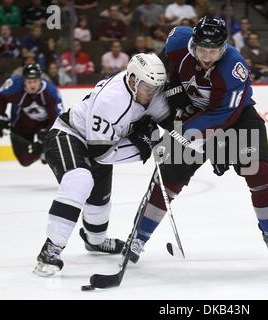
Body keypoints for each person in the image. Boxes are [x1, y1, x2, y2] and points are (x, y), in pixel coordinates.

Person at [126, 16, 268, 267]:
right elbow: (165, 70)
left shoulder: (234, 68)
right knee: (168, 181)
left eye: (214, 51)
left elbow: (223, 115)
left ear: (224, 48)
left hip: (236, 118)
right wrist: (174, 92)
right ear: (193, 44)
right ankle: (138, 238)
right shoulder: (178, 41)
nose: (207, 56)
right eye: (203, 49)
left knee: (260, 173)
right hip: (191, 115)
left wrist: (200, 140)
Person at [33, 53, 171, 277]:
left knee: (98, 206)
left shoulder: (148, 90)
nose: (153, 93)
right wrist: (145, 145)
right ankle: (51, 250)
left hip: (105, 142)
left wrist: (180, 139)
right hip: (70, 135)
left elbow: (170, 120)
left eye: (157, 87)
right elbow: (103, 154)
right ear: (133, 79)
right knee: (79, 179)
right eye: (149, 87)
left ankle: (94, 241)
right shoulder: (111, 100)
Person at [0, 64, 63, 167]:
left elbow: (56, 119)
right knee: (25, 161)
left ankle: (44, 152)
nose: (32, 85)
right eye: (29, 82)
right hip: (22, 124)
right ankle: (41, 154)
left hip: (44, 125)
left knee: (50, 144)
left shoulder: (51, 92)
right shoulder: (14, 85)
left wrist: (44, 139)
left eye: (35, 81)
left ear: (40, 80)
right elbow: (1, 95)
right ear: (23, 80)